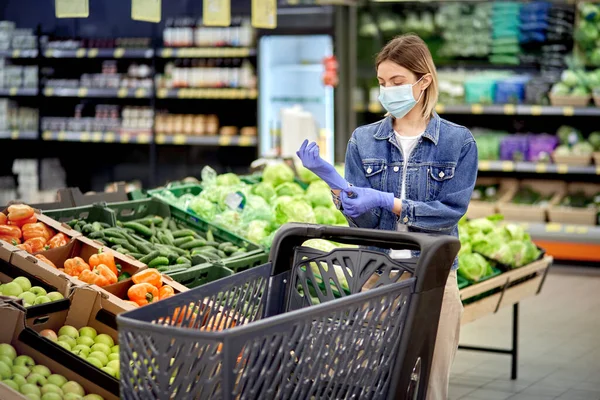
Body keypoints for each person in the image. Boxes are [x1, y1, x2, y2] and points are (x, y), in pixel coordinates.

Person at [297, 33, 478, 399]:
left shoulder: (459, 143)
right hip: (375, 276)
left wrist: (387, 200)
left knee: (430, 387)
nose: (387, 90)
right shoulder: (363, 141)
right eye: (382, 83)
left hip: (435, 278)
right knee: (375, 385)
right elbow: (362, 224)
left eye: (397, 82)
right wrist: (338, 189)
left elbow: (447, 214)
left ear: (423, 81)